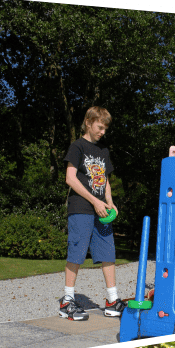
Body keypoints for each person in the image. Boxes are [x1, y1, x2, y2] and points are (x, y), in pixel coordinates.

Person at [60, 106, 124, 320]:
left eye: (105, 128)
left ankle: (112, 301)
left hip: (101, 209)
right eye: (100, 127)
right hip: (81, 207)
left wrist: (109, 202)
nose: (103, 132)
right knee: (77, 252)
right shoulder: (77, 146)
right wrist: (95, 201)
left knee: (108, 252)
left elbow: (104, 180)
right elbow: (70, 178)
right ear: (88, 122)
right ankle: (67, 301)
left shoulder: (103, 151)